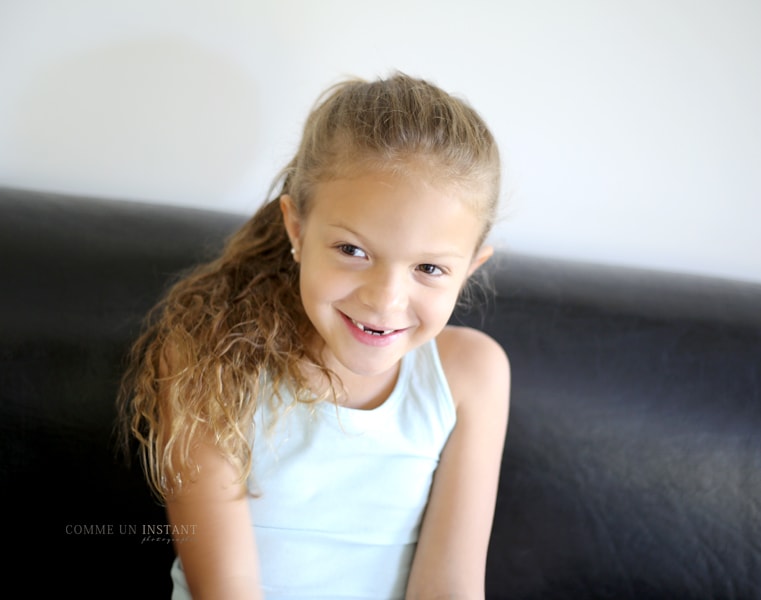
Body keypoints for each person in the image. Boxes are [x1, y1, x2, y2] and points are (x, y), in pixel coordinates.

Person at [117, 71, 510, 600]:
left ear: (469, 269)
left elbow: (451, 588)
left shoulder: (471, 376)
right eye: (353, 250)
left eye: (429, 269)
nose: (386, 299)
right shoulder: (208, 355)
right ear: (297, 228)